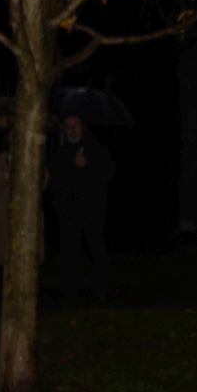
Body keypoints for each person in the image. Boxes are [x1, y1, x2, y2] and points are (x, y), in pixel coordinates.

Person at [47, 113, 114, 302]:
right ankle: (70, 291)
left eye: (75, 125)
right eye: (68, 126)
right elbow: (55, 180)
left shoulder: (95, 148)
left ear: (83, 127)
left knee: (96, 249)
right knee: (69, 251)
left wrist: (87, 165)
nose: (72, 130)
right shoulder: (61, 152)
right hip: (69, 211)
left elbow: (108, 173)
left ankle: (99, 291)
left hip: (93, 210)